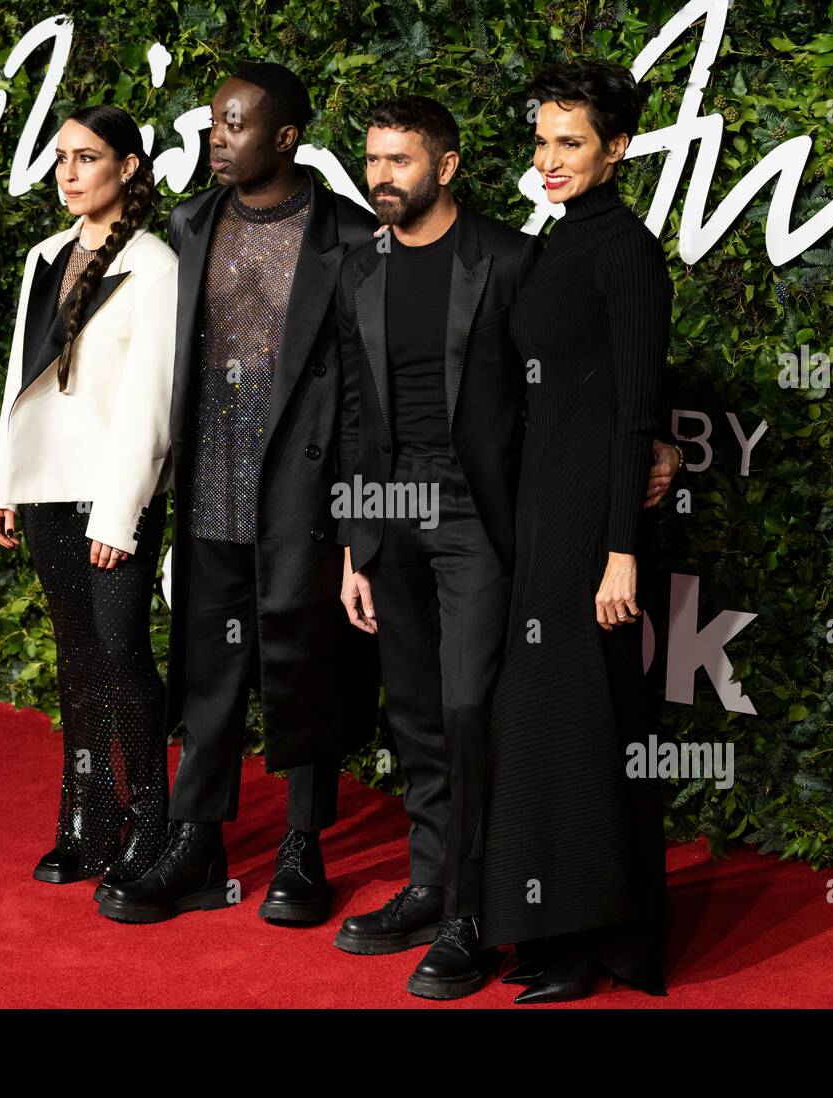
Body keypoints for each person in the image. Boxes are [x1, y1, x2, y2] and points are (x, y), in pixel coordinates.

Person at [335, 96, 681, 999]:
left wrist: (649, 467)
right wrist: (353, 541)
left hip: (491, 519)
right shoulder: (363, 266)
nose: (381, 176)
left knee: (477, 714)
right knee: (423, 715)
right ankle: (437, 886)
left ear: (444, 166)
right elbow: (351, 412)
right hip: (432, 514)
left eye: (398, 159)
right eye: (371, 160)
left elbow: (617, 378)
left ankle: (476, 913)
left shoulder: (518, 255)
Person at [96, 62, 380, 926]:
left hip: (304, 500)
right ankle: (196, 840)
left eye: (234, 124)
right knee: (210, 675)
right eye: (214, 124)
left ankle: (303, 846)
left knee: (306, 672)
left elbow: (367, 394)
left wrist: (355, 523)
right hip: (210, 494)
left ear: (286, 136)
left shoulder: (352, 236)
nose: (216, 138)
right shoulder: (190, 222)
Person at [478, 61, 676, 1003]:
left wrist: (621, 550)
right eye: (543, 141)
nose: (550, 160)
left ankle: (600, 938)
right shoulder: (554, 243)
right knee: (549, 727)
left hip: (593, 531)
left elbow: (637, 406)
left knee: (587, 727)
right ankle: (556, 926)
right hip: (542, 516)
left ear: (618, 149)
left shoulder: (627, 252)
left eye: (572, 143)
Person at [0, 105, 179, 901]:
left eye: (86, 157)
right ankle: (89, 821)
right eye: (60, 157)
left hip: (114, 495)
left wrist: (119, 514)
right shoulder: (44, 255)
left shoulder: (158, 264)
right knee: (78, 663)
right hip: (47, 489)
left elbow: (150, 406)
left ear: (128, 168)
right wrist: (6, 482)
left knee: (125, 657)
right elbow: (17, 384)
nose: (67, 172)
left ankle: (154, 825)